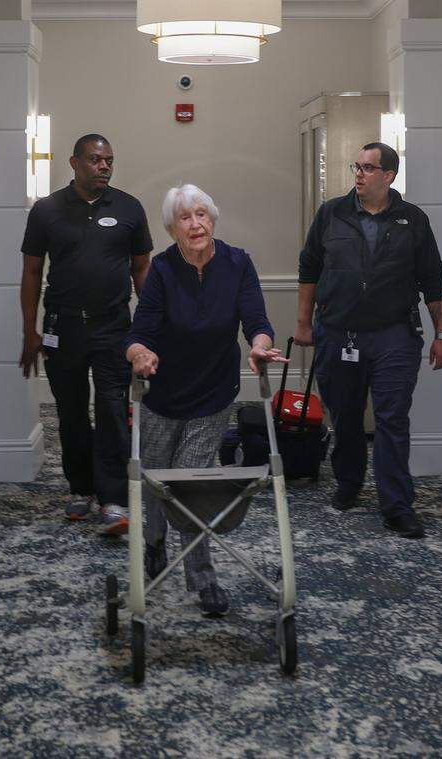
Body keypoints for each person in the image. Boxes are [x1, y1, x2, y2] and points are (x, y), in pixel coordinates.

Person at [126, 184, 286, 616]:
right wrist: (139, 353)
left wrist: (259, 344)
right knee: (157, 481)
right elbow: (140, 332)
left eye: (201, 214)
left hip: (212, 395)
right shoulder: (161, 270)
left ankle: (202, 577)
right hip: (162, 393)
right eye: (184, 218)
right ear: (172, 228)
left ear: (212, 218)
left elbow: (257, 320)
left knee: (189, 487)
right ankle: (154, 543)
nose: (195, 224)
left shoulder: (237, 264)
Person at [295, 142, 442, 539]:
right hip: (338, 332)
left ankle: (397, 504)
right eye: (357, 167)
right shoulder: (332, 213)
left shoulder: (412, 221)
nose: (359, 174)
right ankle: (349, 483)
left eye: (367, 168)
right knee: (345, 416)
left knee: (392, 418)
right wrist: (303, 324)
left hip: (394, 336)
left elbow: (432, 278)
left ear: (389, 176)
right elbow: (309, 267)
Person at [19, 133, 152, 534]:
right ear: (75, 163)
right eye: (95, 160)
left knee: (113, 409)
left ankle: (112, 498)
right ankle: (82, 488)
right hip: (63, 326)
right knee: (71, 411)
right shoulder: (47, 210)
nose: (104, 167)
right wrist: (30, 330)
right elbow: (31, 272)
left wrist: (147, 329)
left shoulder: (129, 208)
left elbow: (142, 268)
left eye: (109, 160)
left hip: (113, 324)